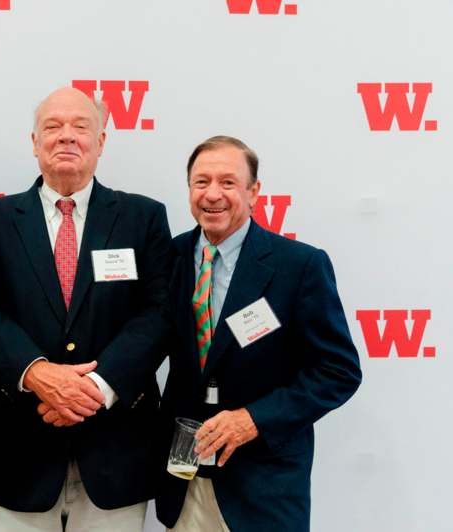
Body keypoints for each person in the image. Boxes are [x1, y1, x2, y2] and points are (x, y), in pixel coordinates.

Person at [0, 86, 173, 531]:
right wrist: (36, 373)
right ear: (34, 142)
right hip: (20, 454)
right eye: (52, 127)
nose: (66, 137)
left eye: (81, 126)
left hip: (116, 454)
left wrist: (96, 385)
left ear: (102, 141)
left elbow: (157, 315)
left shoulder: (143, 218)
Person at [156, 136, 362, 531]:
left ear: (253, 193)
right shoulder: (171, 257)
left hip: (263, 485)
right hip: (184, 479)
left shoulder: (299, 266)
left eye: (228, 183)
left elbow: (338, 371)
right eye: (201, 182)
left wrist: (255, 419)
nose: (212, 194)